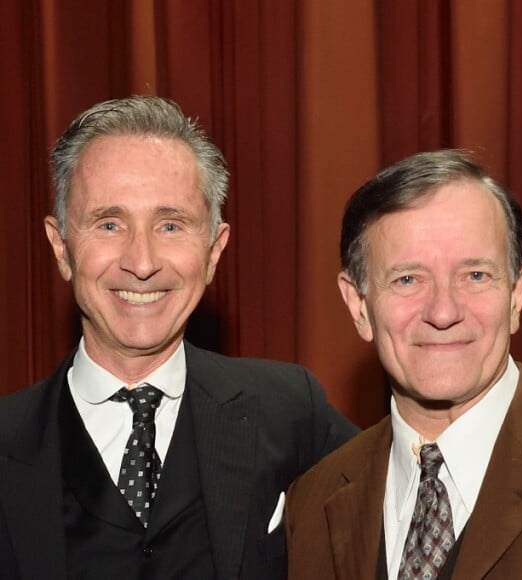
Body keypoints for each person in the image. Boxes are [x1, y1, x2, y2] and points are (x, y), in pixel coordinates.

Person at [0, 95, 356, 580]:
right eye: (109, 223)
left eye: (171, 225)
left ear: (214, 250)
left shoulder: (292, 413)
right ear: (61, 248)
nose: (142, 263)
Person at [285, 150, 522, 579]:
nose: (443, 312)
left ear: (516, 294)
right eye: (408, 279)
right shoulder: (312, 502)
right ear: (358, 306)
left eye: (475, 275)